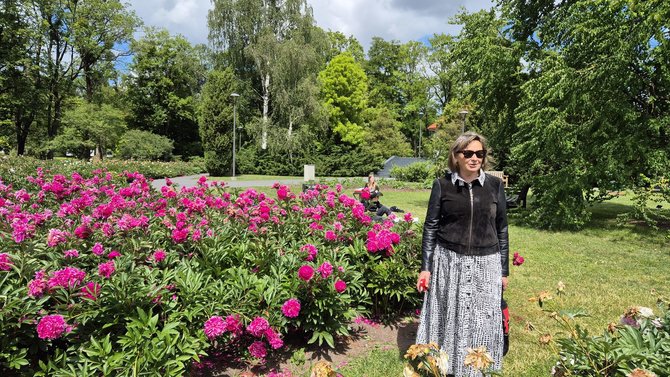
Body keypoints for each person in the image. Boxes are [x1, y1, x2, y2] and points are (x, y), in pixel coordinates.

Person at [415, 132, 509, 376]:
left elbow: (502, 228)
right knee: (450, 313)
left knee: (481, 317)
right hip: (449, 259)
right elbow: (431, 226)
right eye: (468, 153)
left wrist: (504, 270)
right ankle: (445, 365)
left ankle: (477, 367)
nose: (474, 158)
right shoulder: (442, 185)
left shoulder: (495, 186)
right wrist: (426, 267)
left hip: (486, 262)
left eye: (480, 153)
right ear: (456, 156)